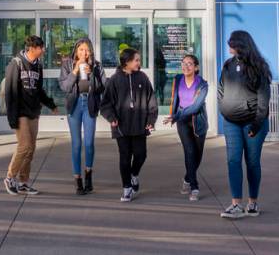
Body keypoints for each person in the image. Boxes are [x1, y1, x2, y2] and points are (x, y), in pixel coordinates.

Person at [218, 30, 272, 219]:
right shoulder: (227, 66)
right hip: (231, 122)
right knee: (233, 161)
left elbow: (264, 99)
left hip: (253, 124)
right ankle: (236, 205)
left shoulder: (258, 67)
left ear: (241, 45)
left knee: (252, 162)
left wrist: (257, 124)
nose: (229, 46)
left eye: (232, 43)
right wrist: (223, 109)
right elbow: (221, 90)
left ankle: (253, 203)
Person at [100, 47, 157, 202]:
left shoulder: (143, 78)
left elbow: (151, 100)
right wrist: (111, 118)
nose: (139, 62)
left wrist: (151, 120)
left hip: (140, 125)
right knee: (124, 158)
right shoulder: (114, 80)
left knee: (141, 154)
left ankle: (134, 175)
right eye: (136, 60)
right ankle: (126, 188)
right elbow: (105, 104)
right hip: (121, 126)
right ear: (127, 62)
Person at [3, 35, 57, 196]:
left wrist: (50, 104)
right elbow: (10, 93)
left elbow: (39, 90)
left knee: (31, 149)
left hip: (33, 112)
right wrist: (12, 118)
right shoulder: (16, 64)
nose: (43, 50)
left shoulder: (38, 66)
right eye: (41, 47)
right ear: (32, 49)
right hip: (20, 113)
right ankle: (10, 177)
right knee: (24, 146)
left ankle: (23, 182)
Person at [58, 38, 106, 195]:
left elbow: (102, 87)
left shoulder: (96, 65)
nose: (84, 53)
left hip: (89, 104)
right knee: (77, 144)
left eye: (86, 50)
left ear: (90, 51)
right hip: (75, 105)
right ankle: (78, 179)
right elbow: (65, 86)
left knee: (89, 143)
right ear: (76, 51)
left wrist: (93, 76)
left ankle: (88, 174)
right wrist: (75, 71)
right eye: (81, 49)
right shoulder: (67, 65)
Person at [162, 54, 208, 201]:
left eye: (190, 64)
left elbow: (195, 107)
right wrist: (175, 114)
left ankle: (188, 178)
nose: (186, 66)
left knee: (198, 155)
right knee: (189, 151)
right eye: (184, 63)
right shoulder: (177, 79)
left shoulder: (202, 84)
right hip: (182, 121)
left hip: (197, 121)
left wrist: (176, 116)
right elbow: (174, 99)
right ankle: (194, 187)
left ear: (196, 67)